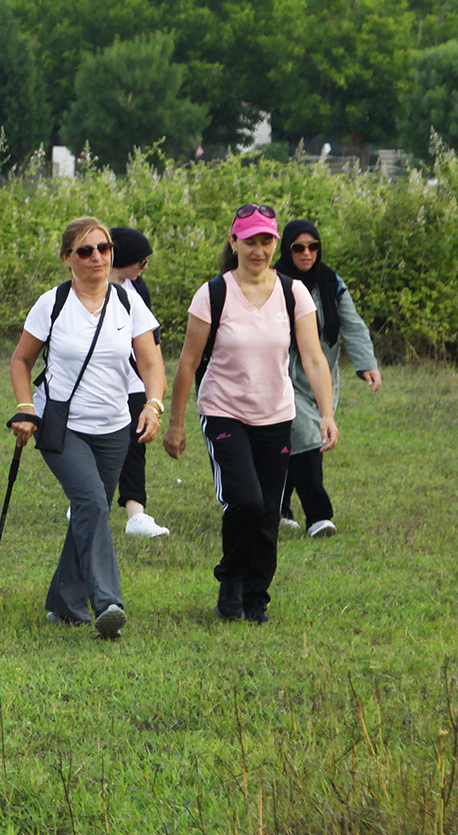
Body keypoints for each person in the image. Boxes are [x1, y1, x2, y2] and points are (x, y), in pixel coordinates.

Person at [164, 205, 337, 624]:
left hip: (276, 415)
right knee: (245, 500)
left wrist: (326, 415)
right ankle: (232, 579)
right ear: (233, 242)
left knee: (268, 511)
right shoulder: (213, 294)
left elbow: (314, 359)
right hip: (224, 411)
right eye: (250, 241)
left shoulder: (293, 293)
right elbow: (188, 362)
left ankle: (256, 596)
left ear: (275, 244)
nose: (258, 250)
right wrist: (176, 422)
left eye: (266, 241)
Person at [8, 217, 164, 635]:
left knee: (88, 513)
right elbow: (21, 360)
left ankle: (63, 603)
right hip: (62, 425)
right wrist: (26, 407)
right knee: (93, 504)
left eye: (104, 248)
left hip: (115, 428)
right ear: (67, 259)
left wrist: (153, 404)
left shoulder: (129, 303)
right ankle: (107, 602)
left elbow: (150, 362)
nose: (97, 257)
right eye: (85, 250)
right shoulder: (53, 304)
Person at [275, 220, 381, 537]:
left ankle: (278, 508)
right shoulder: (275, 283)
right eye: (298, 247)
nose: (307, 253)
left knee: (294, 443)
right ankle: (319, 517)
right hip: (283, 376)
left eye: (313, 247)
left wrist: (366, 363)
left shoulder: (330, 281)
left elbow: (352, 324)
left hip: (322, 378)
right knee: (307, 437)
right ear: (287, 249)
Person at [107, 227, 169, 539]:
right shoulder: (88, 289)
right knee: (95, 444)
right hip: (97, 384)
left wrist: (155, 387)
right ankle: (86, 503)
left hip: (133, 384)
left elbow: (150, 345)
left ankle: (136, 515)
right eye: (142, 261)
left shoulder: (134, 292)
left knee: (134, 446)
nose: (145, 268)